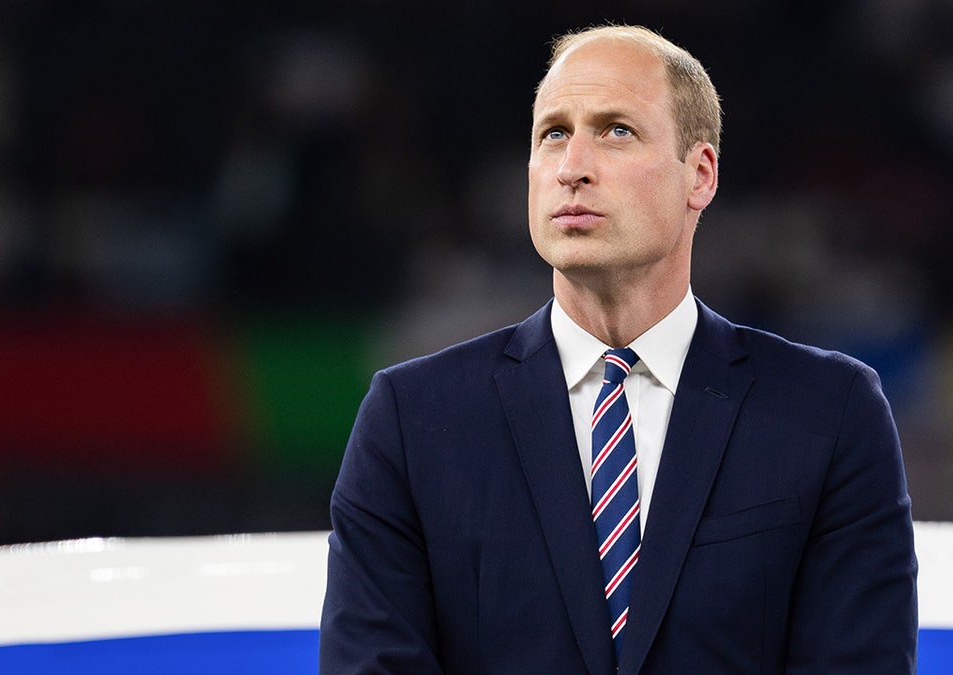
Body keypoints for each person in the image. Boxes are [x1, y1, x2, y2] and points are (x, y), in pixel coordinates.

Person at [319, 24, 917, 674]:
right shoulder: (411, 420)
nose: (572, 166)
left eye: (616, 130)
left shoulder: (829, 413)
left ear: (700, 175)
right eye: (553, 133)